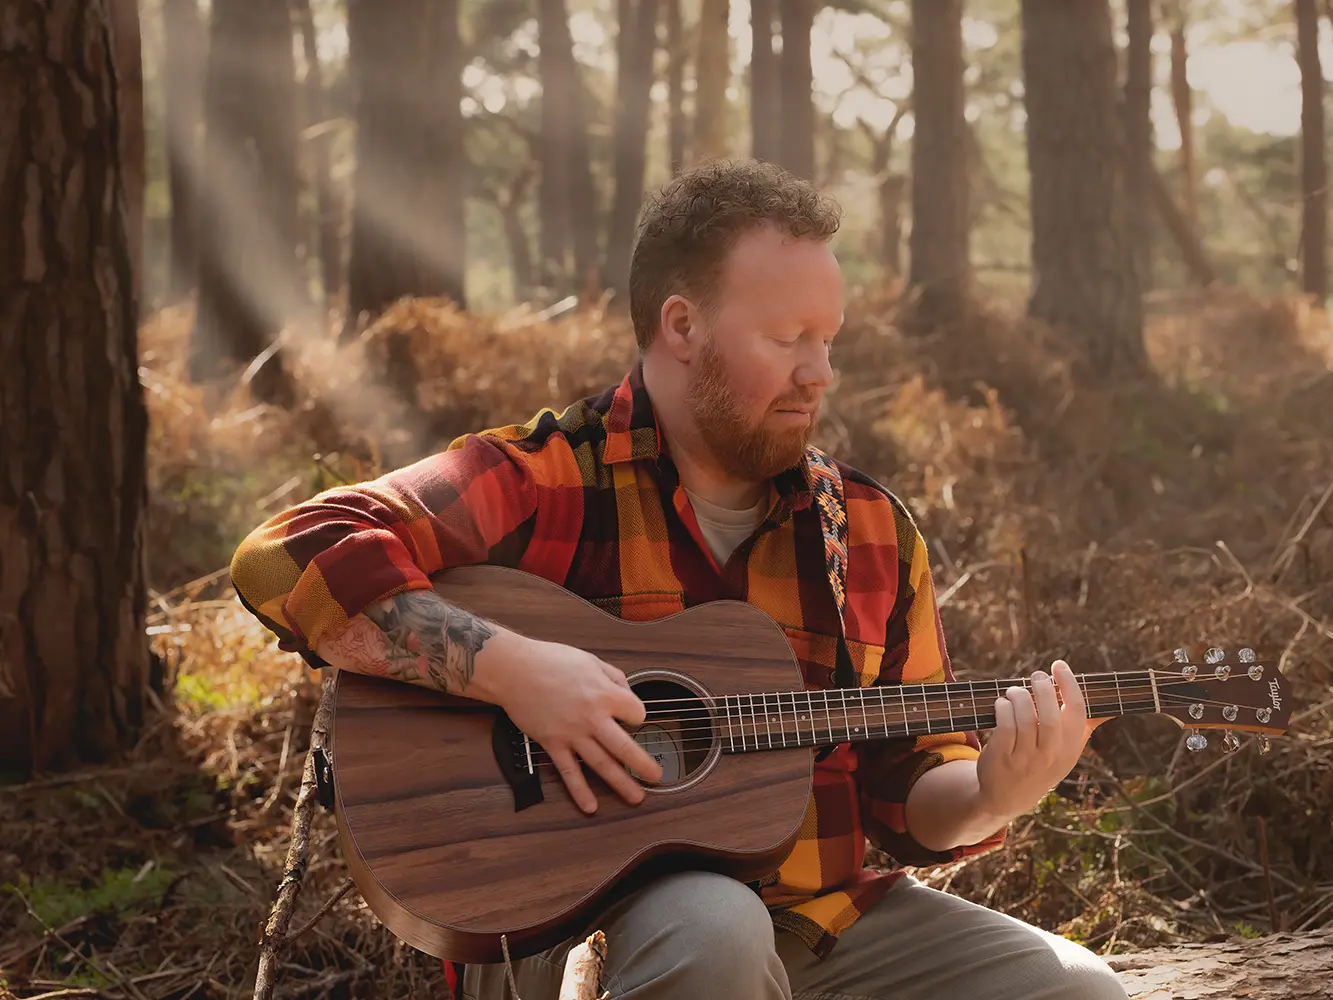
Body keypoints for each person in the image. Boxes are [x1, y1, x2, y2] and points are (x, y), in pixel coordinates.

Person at [230, 159, 1128, 1000]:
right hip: (573, 921)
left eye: (828, 340)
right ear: (683, 326)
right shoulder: (543, 479)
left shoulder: (868, 531)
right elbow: (282, 552)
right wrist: (516, 671)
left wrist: (993, 793)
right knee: (715, 926)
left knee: (1082, 989)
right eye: (787, 337)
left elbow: (908, 786)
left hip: (817, 919)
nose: (820, 372)